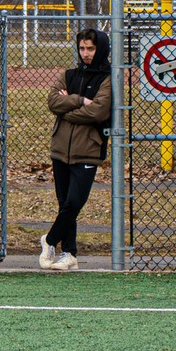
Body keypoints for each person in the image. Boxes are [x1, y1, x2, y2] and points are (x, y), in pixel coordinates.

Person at [43, 28, 111, 272]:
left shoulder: (107, 78)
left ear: (100, 48)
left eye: (90, 48)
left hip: (88, 150)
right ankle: (68, 253)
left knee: (74, 202)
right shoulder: (69, 74)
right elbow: (52, 101)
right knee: (64, 203)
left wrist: (67, 106)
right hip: (60, 148)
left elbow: (99, 112)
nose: (86, 53)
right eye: (82, 48)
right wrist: (80, 100)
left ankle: (49, 240)